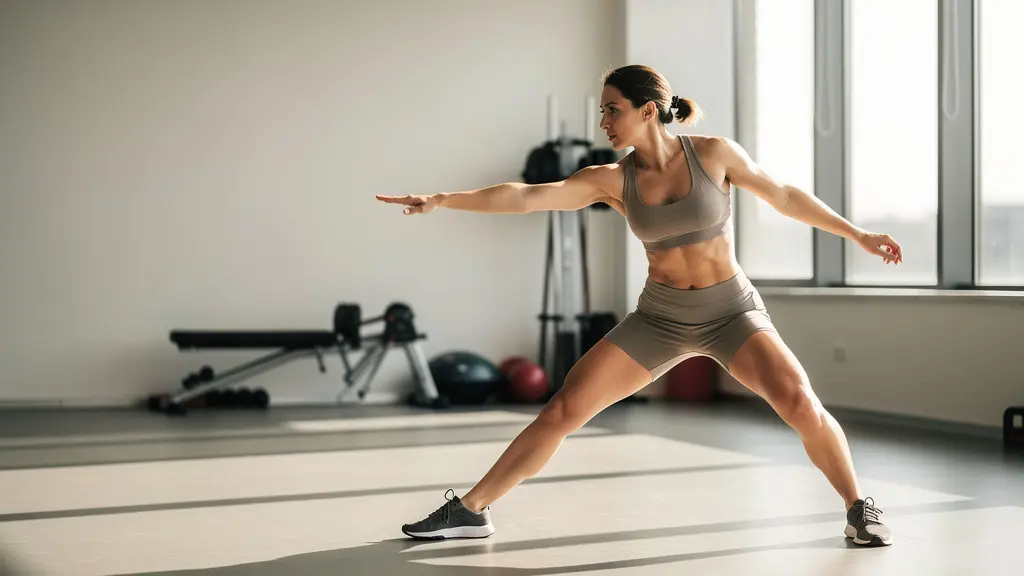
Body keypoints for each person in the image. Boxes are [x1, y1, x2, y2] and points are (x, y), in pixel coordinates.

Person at [376, 64, 901, 548]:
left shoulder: (714, 154)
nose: (602, 120)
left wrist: (857, 235)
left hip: (732, 313)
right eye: (602, 110)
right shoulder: (610, 179)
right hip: (660, 319)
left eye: (612, 109)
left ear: (648, 109)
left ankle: (858, 508)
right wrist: (445, 199)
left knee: (801, 403)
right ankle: (471, 510)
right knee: (564, 409)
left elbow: (783, 195)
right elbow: (527, 196)